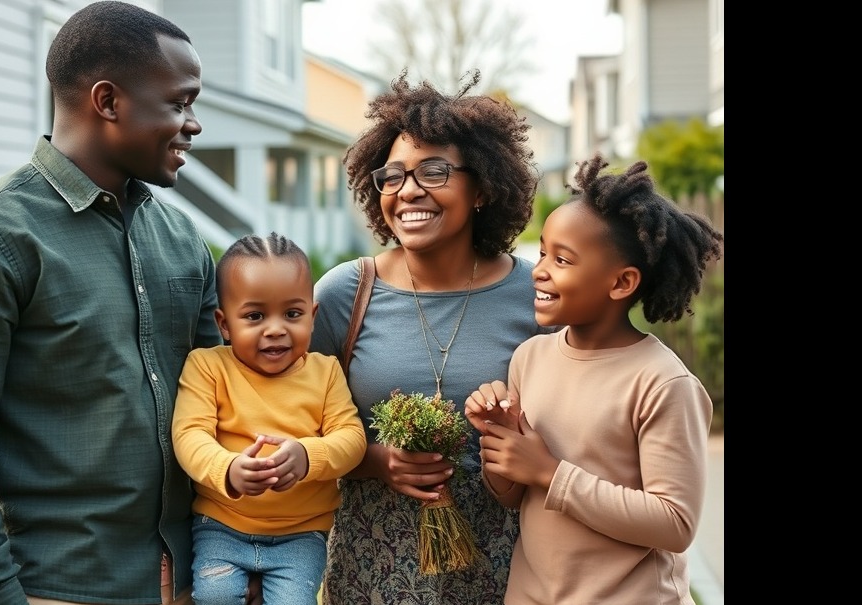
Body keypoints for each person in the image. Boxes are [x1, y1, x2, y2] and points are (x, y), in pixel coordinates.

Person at [0, 3, 257, 603]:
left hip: (193, 583)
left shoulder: (183, 241)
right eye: (179, 103)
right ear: (108, 101)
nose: (194, 124)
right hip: (58, 588)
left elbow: (220, 409)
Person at [309, 69, 551, 604]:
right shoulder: (347, 293)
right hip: (372, 572)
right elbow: (294, 418)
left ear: (483, 186)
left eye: (433, 171)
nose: (408, 190)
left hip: (506, 570)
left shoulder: (534, 297)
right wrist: (375, 459)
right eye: (391, 176)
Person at [464, 153, 724, 605]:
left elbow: (674, 523)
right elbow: (513, 496)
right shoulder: (530, 357)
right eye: (543, 252)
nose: (540, 269)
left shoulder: (662, 383)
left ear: (621, 282)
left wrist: (548, 471)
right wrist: (502, 442)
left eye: (562, 260)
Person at [172, 232, 367, 605]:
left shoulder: (324, 372)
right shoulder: (208, 367)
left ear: (312, 316)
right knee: (213, 596)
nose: (275, 328)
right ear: (224, 324)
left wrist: (308, 456)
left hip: (301, 534)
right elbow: (189, 434)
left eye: (292, 314)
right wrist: (227, 468)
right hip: (222, 526)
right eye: (255, 316)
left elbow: (352, 438)